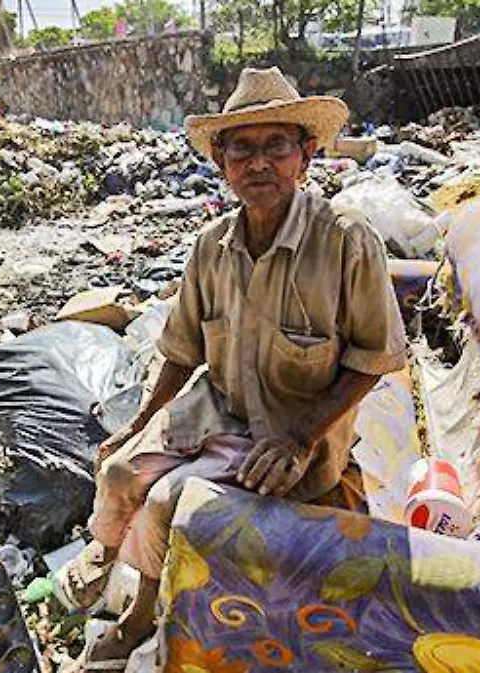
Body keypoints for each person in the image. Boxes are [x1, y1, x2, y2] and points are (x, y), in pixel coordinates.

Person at [57, 66, 408, 670]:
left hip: (293, 430)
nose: (259, 162)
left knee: (169, 498)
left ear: (306, 153)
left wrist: (303, 438)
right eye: (241, 148)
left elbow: (375, 359)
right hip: (215, 407)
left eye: (276, 145)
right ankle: (107, 551)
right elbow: (181, 351)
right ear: (221, 162)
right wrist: (140, 422)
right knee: (117, 471)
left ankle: (139, 617)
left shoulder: (346, 241)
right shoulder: (210, 243)